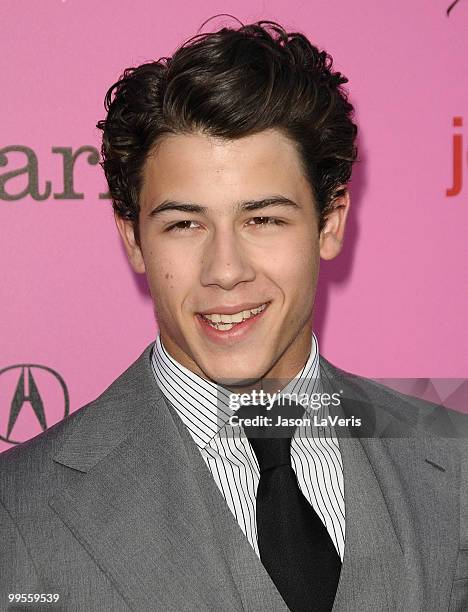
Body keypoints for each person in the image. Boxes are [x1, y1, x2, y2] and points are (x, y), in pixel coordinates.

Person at [1, 19, 467, 612]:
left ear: (330, 223)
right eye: (184, 224)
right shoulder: (16, 510)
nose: (225, 270)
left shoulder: (454, 461)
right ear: (134, 241)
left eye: (264, 219)